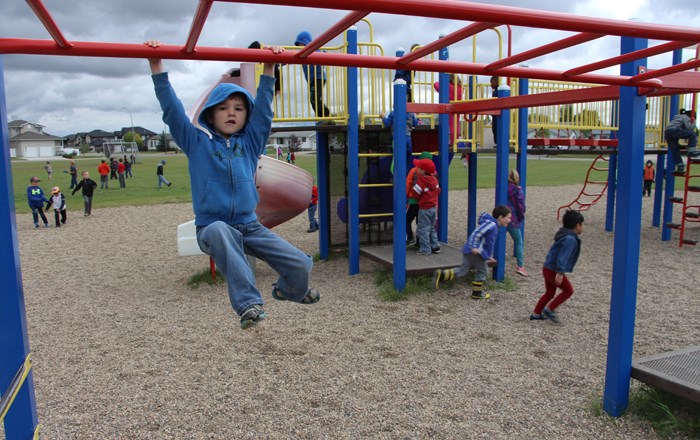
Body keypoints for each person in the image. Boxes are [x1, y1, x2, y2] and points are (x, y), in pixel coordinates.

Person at [144, 39, 319, 330]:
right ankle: (248, 304)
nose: (231, 113)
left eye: (238, 108)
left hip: (250, 225)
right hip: (212, 226)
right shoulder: (197, 143)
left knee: (300, 263)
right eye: (223, 108)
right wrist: (156, 65)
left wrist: (270, 67)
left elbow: (263, 112)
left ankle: (289, 291)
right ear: (210, 114)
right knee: (222, 232)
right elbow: (172, 112)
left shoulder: (250, 144)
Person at [432, 205, 512, 299]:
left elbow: (487, 242)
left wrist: (488, 254)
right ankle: (477, 293)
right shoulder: (492, 225)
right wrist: (473, 247)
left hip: (470, 249)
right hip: (475, 252)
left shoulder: (492, 225)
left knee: (463, 270)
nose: (510, 220)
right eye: (508, 218)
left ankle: (440, 274)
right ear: (501, 217)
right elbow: (476, 234)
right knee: (482, 270)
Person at [530, 210, 584, 324]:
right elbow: (563, 256)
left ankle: (536, 313)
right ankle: (549, 309)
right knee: (568, 291)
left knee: (549, 292)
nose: (583, 227)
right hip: (554, 270)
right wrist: (560, 272)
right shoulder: (570, 239)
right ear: (577, 225)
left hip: (547, 267)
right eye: (582, 224)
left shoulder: (563, 234)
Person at [294, 31, 331, 118]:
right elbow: (288, 60)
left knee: (314, 97)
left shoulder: (315, 51)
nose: (300, 46)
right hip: (311, 80)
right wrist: (276, 63)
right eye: (298, 44)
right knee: (312, 98)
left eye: (301, 44)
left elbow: (323, 53)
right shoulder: (301, 55)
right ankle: (320, 116)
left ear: (306, 42)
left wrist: (320, 51)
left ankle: (325, 114)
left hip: (319, 77)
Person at [410, 158, 441, 256]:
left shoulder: (421, 181)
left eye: (418, 167)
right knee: (431, 227)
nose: (417, 169)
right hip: (433, 208)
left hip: (424, 209)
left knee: (423, 229)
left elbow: (415, 193)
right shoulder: (435, 180)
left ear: (423, 171)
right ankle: (435, 246)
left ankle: (425, 249)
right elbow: (438, 190)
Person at [380, 99, 418, 174]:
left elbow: (387, 124)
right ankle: (406, 177)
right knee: (408, 159)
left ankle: (396, 177)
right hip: (408, 139)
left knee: (397, 160)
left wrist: (383, 117)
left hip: (398, 140)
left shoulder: (394, 113)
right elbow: (415, 123)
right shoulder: (411, 114)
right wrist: (415, 116)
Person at [405, 151, 433, 247]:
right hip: (425, 202)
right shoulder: (433, 174)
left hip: (413, 200)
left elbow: (408, 183)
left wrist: (406, 195)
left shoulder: (414, 171)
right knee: (420, 223)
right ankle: (419, 242)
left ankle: (410, 238)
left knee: (405, 219)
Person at [506, 169, 528, 277]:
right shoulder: (518, 190)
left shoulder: (502, 188)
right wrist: (521, 217)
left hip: (501, 217)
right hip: (513, 218)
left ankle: (497, 256)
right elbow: (521, 206)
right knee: (518, 241)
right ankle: (520, 266)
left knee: (498, 238)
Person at [433, 73, 464, 148]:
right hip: (458, 107)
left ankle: (451, 143)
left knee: (447, 126)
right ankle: (454, 142)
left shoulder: (448, 87)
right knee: (455, 126)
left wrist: (442, 82)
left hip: (449, 107)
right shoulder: (460, 88)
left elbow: (436, 85)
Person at [664, 108, 699, 174]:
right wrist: (693, 121)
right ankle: (691, 151)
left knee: (675, 150)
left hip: (667, 133)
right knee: (692, 134)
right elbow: (690, 127)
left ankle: (680, 166)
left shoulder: (677, 117)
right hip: (674, 131)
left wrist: (681, 146)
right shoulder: (686, 117)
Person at [490, 76, 499, 147]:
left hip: (498, 114)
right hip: (494, 114)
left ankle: (499, 142)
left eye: (492, 82)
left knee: (497, 128)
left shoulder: (499, 91)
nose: (491, 84)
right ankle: (497, 142)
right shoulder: (495, 91)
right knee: (494, 129)